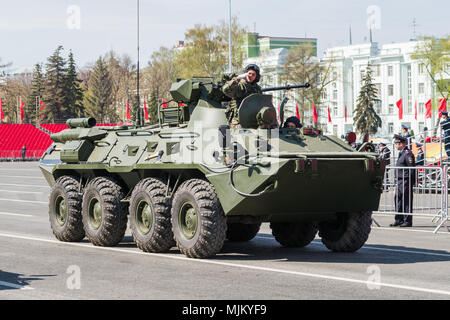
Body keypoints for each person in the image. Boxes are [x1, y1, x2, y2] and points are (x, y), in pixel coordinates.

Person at [222, 64, 262, 128]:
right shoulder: (239, 86)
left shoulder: (257, 89)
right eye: (249, 73)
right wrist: (237, 78)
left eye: (253, 74)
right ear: (245, 74)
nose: (251, 76)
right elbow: (225, 89)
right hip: (238, 121)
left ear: (256, 77)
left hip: (253, 120)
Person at [390, 134, 415, 228]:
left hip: (406, 180)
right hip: (400, 180)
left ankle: (407, 221)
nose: (395, 145)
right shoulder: (401, 153)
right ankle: (398, 219)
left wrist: (412, 181)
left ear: (402, 144)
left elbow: (411, 168)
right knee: (398, 200)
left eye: (397, 143)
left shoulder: (407, 153)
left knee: (406, 201)